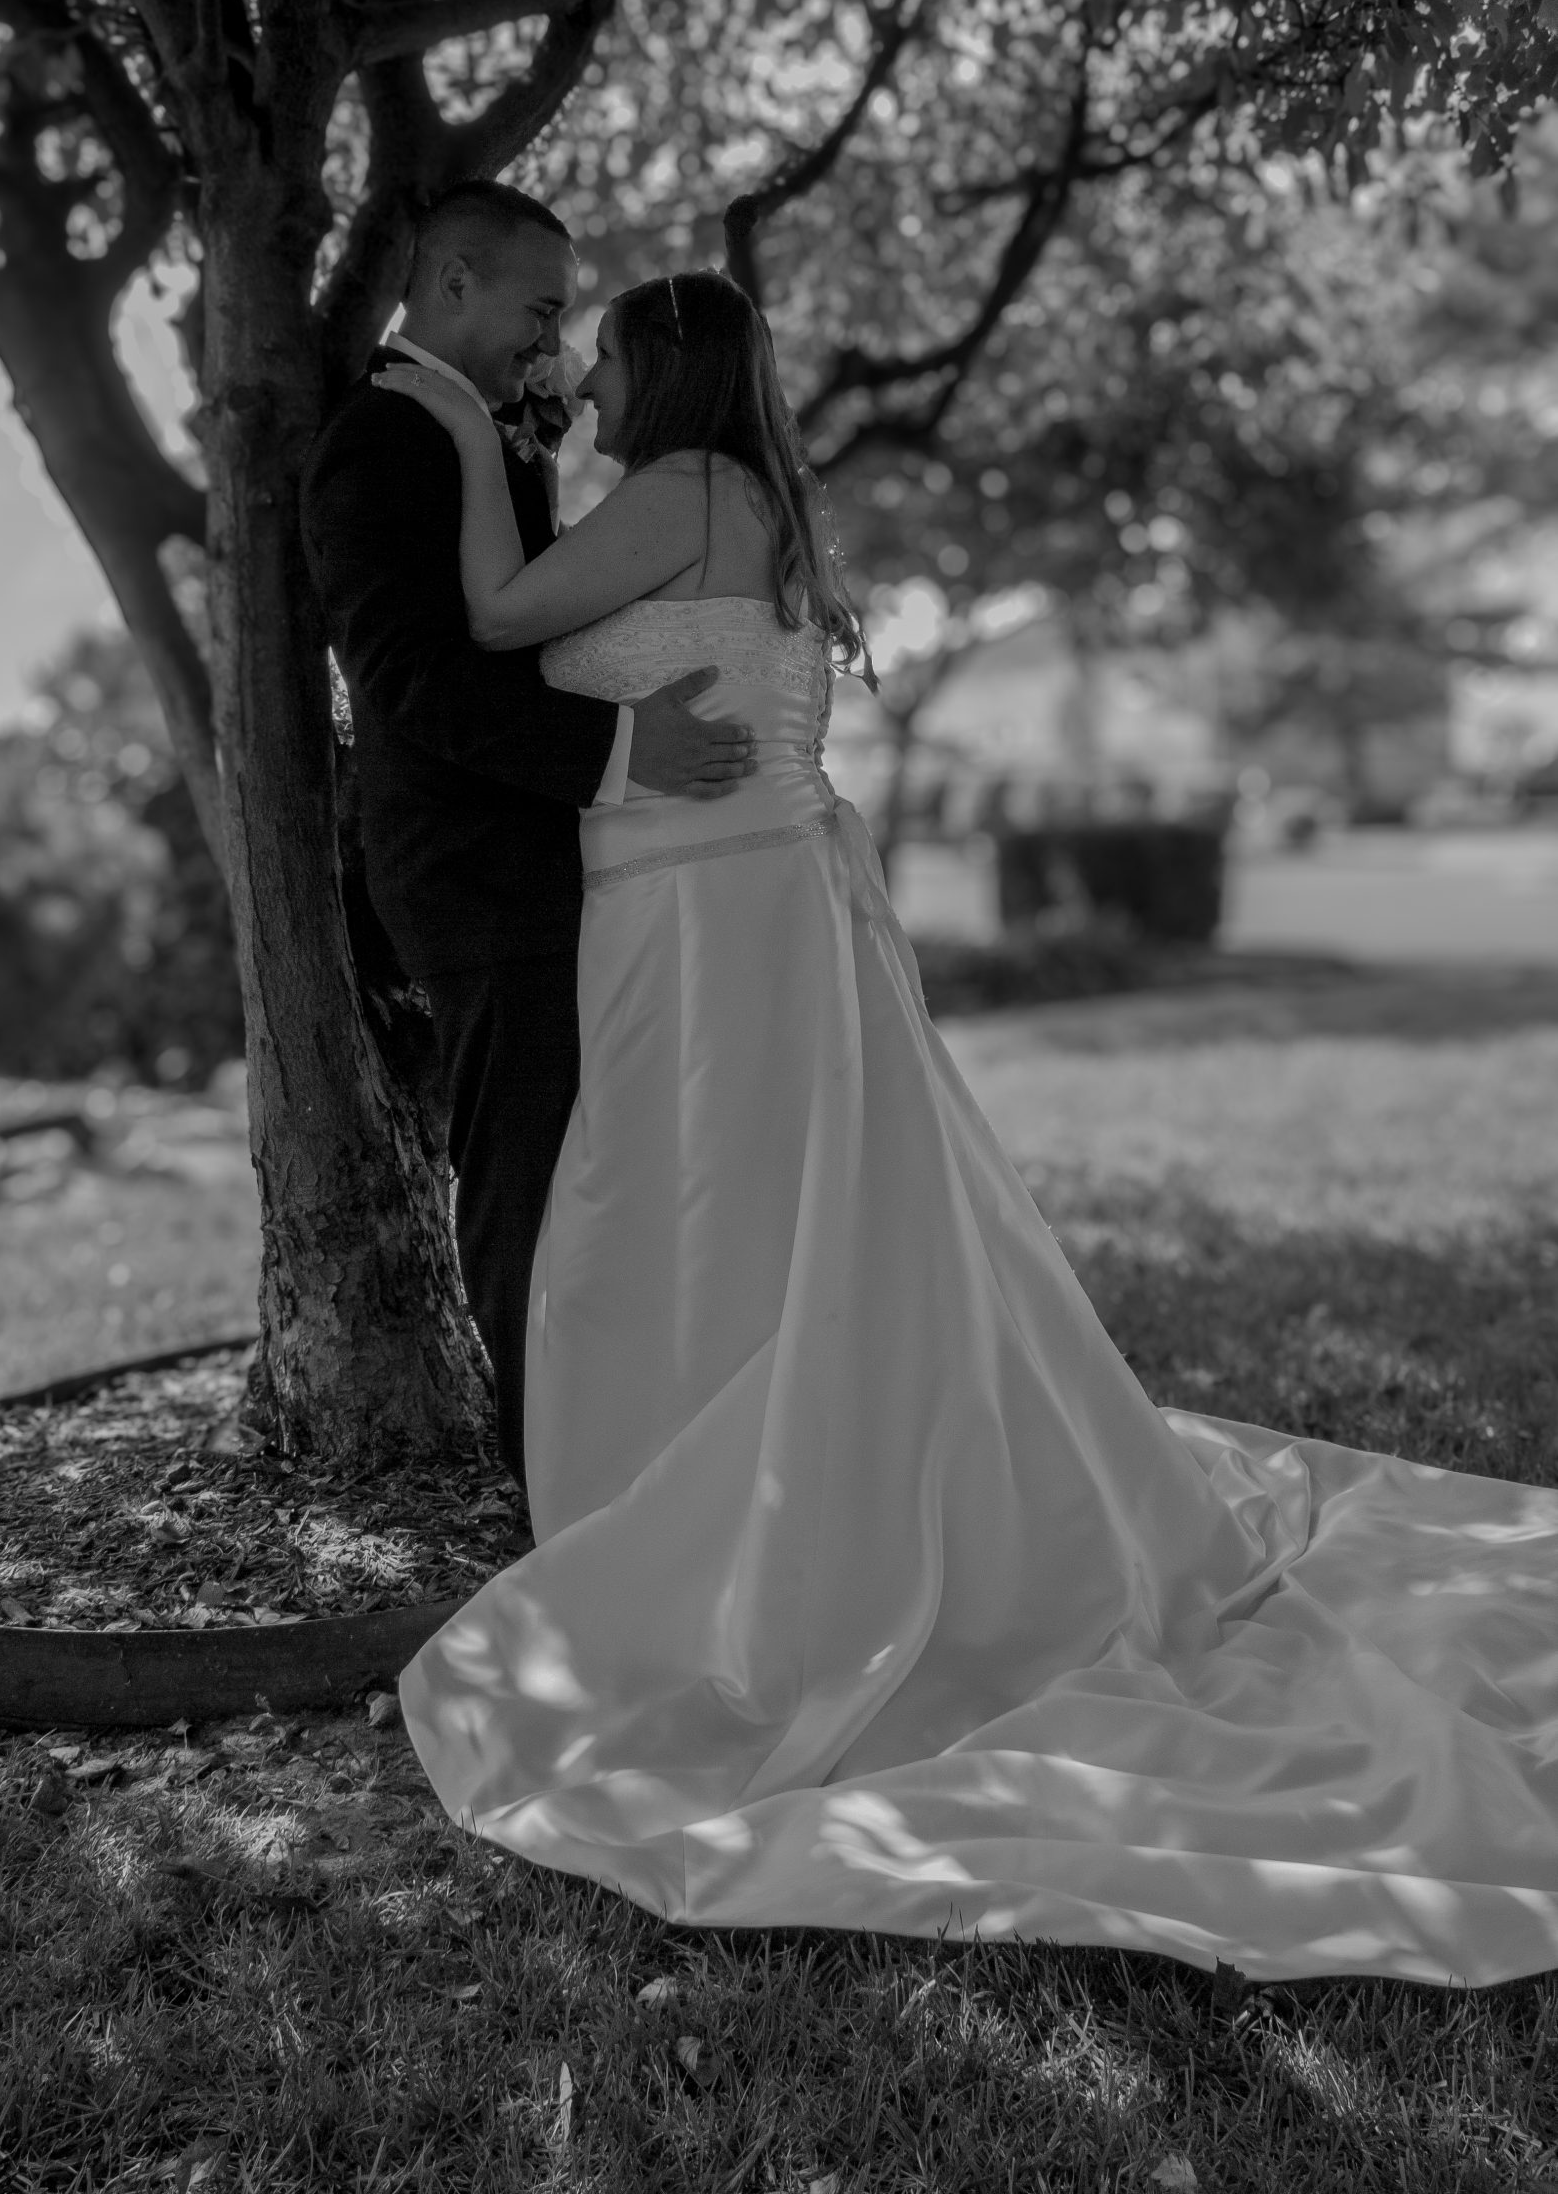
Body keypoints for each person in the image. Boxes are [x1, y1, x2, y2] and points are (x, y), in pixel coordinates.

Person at [392, 266, 1558, 1988]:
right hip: (741, 907)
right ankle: (754, 1491)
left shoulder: (682, 494)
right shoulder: (754, 500)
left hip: (706, 924)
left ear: (671, 372)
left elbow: (491, 617)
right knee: (770, 1219)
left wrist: (444, 419)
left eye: (608, 352)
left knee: (695, 1213)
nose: (586, 372)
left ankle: (726, 1539)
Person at [299, 186, 755, 1498]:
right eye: (541, 310)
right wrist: (626, 753)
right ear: (451, 282)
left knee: (576, 1167)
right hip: (476, 869)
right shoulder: (383, 438)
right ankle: (550, 1487)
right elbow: (411, 678)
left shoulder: (483, 432)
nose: (553, 348)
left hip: (542, 853)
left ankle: (601, 1447)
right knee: (525, 1176)